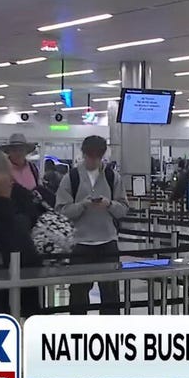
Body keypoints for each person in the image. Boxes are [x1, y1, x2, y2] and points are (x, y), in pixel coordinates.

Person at [56, 135, 129, 315]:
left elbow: (124, 209)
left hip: (108, 243)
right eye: (90, 156)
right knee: (78, 297)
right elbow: (61, 211)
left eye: (97, 156)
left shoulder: (113, 177)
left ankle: (110, 335)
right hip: (80, 245)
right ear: (84, 154)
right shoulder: (71, 177)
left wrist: (110, 204)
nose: (93, 160)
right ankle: (79, 334)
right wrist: (82, 205)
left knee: (110, 297)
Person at [0, 149, 43, 317]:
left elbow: (19, 224)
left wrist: (4, 201)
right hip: (3, 261)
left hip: (20, 260)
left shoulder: (15, 192)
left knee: (26, 308)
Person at [1, 133, 54, 207]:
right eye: (14, 150)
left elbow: (39, 190)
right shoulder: (2, 169)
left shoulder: (33, 169)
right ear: (9, 151)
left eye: (21, 149)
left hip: (33, 213)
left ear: (26, 151)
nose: (18, 153)